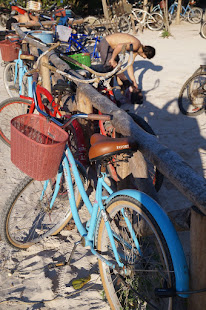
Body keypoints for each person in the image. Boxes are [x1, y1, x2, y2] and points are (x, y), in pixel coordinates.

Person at [97, 33, 155, 104]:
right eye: (144, 57)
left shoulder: (136, 49)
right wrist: (112, 59)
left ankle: (123, 94)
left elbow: (129, 65)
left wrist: (134, 82)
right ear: (144, 56)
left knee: (118, 70)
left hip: (112, 48)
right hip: (105, 44)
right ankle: (111, 98)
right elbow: (120, 46)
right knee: (112, 70)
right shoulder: (136, 46)